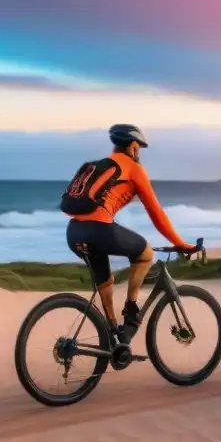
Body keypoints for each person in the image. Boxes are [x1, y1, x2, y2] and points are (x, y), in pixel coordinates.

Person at [63, 124, 198, 343]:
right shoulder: (134, 169)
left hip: (74, 232)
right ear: (133, 146)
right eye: (139, 149)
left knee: (105, 281)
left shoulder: (97, 166)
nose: (139, 153)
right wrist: (181, 244)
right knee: (144, 253)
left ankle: (111, 335)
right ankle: (132, 310)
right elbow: (157, 214)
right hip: (99, 230)